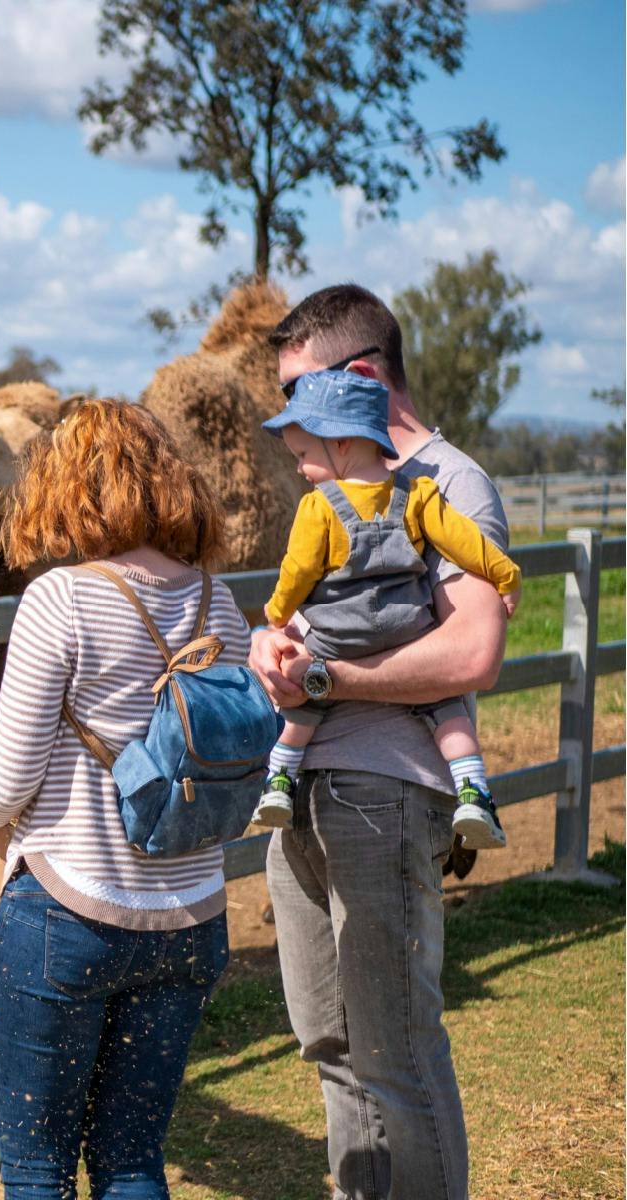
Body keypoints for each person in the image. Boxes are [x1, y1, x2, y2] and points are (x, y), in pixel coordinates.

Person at [252, 285, 512, 1200]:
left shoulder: (450, 485)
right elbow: (302, 607)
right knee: (330, 1043)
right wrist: (269, 642)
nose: (292, 438)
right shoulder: (329, 500)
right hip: (307, 795)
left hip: (387, 792)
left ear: (359, 377)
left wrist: (326, 681)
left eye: (300, 397)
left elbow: (472, 647)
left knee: (395, 1048)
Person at [0, 399, 250, 1199]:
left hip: (67, 915)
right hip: (191, 920)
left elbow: (11, 775)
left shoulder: (61, 599)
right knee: (130, 1161)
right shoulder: (218, 606)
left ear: (67, 487)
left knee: (37, 1174)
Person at [251, 366, 522, 853]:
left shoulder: (318, 508)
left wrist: (276, 613)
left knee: (304, 698)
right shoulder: (417, 494)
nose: (299, 469)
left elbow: (298, 571)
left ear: (340, 444)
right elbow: (465, 544)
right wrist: (506, 576)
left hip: (339, 637)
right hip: (407, 633)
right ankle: (474, 790)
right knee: (447, 709)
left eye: (303, 455)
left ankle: (279, 780)